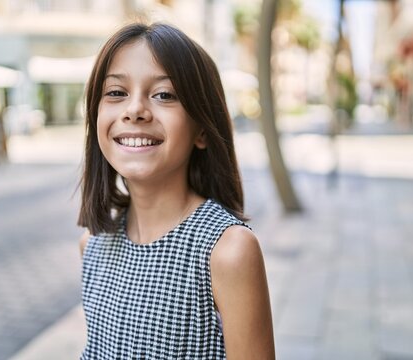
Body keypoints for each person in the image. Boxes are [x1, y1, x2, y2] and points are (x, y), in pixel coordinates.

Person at [77, 22, 274, 359]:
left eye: (164, 95)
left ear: (202, 130)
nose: (135, 110)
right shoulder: (92, 245)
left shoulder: (227, 251)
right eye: (116, 93)